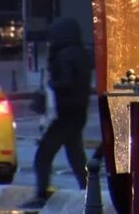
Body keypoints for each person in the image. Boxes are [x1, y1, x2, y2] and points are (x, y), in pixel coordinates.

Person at [22, 18, 92, 208]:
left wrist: (49, 89)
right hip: (78, 113)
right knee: (76, 155)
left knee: (43, 155)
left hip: (63, 115)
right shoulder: (82, 54)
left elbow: (65, 83)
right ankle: (88, 192)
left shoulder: (64, 56)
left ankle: (41, 195)